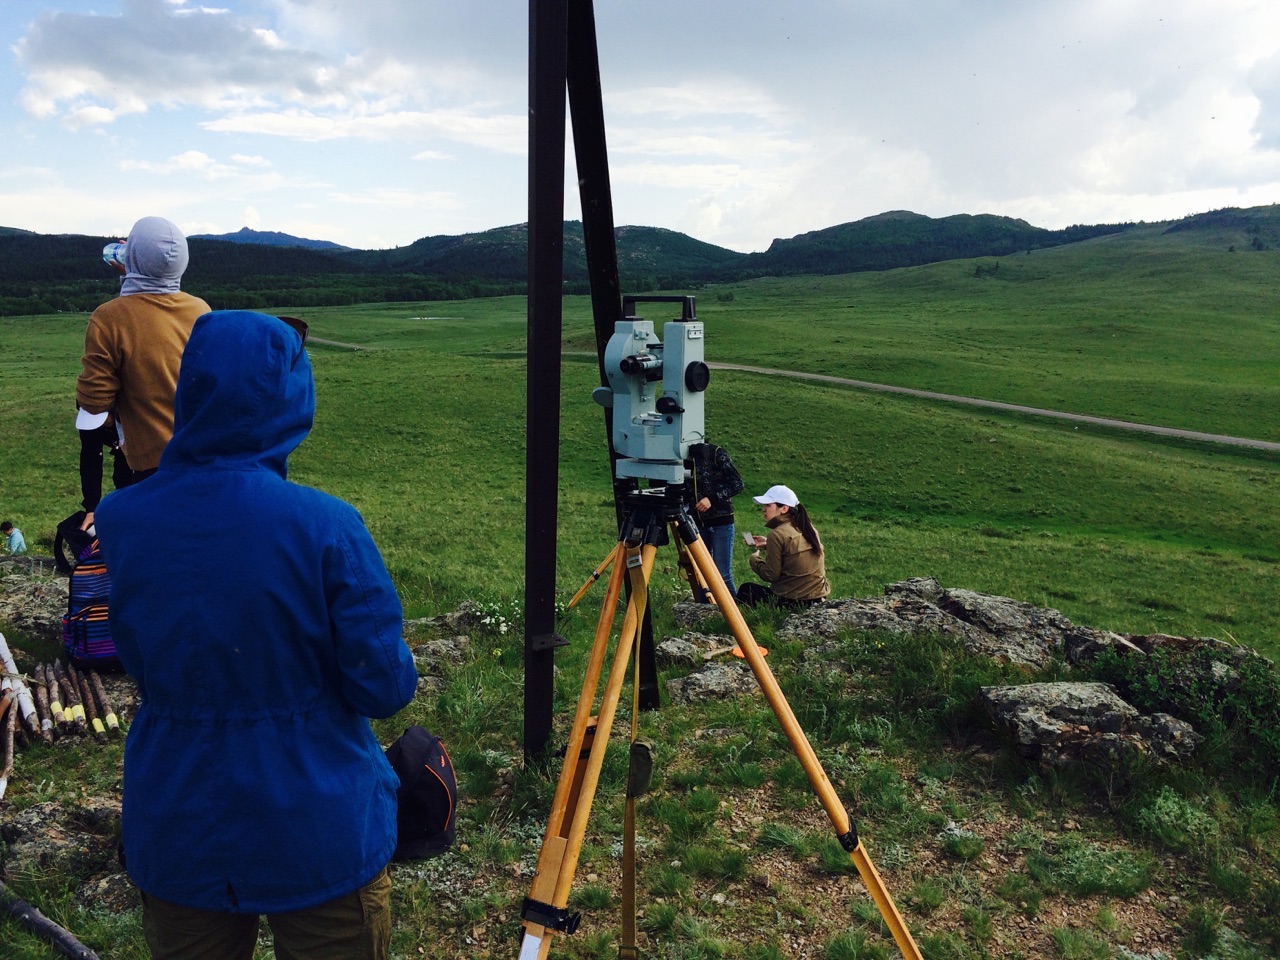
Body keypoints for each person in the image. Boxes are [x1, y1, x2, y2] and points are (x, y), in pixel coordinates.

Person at [96, 310, 417, 960]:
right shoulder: (328, 526)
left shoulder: (119, 518)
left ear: (193, 390)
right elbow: (384, 688)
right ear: (291, 396)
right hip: (320, 825)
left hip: (176, 820)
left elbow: (134, 652)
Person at [76, 216, 211, 494]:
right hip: (202, 456)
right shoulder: (200, 310)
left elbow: (93, 403)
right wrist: (139, 272)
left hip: (148, 466)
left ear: (132, 256)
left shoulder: (108, 317)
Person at [736, 484, 831, 609]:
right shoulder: (808, 528)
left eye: (768, 505)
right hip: (817, 598)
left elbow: (770, 575)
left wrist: (754, 560)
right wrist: (768, 544)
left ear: (784, 509)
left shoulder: (776, 534)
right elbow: (793, 551)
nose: (763, 509)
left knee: (746, 589)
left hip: (792, 601)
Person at [688, 441, 744, 600]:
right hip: (698, 524)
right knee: (703, 572)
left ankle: (736, 612)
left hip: (721, 523)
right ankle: (704, 612)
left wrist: (712, 499)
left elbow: (737, 483)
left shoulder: (716, 454)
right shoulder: (683, 459)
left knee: (722, 573)